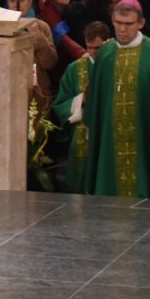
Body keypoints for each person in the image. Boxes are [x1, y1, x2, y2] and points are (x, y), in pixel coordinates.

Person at [80, 0, 150, 198]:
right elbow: (96, 102)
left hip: (145, 136)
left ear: (140, 23)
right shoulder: (105, 53)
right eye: (118, 23)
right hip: (109, 138)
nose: (122, 29)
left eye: (128, 24)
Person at [52, 22, 110, 192]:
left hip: (109, 129)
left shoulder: (118, 65)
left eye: (98, 48)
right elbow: (61, 103)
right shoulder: (75, 69)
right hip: (83, 131)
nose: (92, 53)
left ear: (108, 43)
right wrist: (81, 100)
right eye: (89, 47)